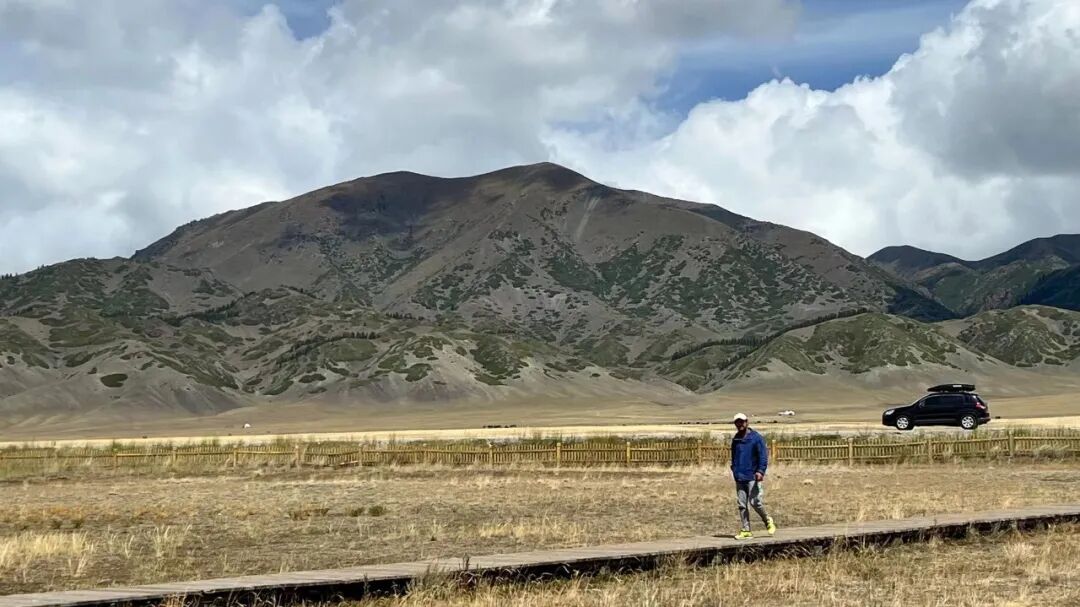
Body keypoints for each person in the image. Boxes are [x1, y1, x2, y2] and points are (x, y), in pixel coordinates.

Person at [729, 412, 775, 539]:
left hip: (752, 476)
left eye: (742, 421)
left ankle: (767, 520)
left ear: (747, 422)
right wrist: (734, 468)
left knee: (755, 502)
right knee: (742, 504)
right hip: (739, 476)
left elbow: (763, 456)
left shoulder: (756, 438)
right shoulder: (736, 439)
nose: (740, 424)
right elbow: (734, 455)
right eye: (737, 422)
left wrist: (760, 471)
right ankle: (746, 530)